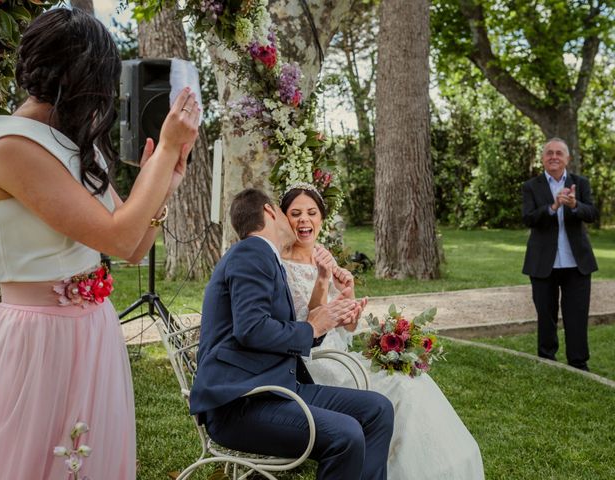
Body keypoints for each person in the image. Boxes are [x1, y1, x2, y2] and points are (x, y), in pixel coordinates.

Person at [0, 8, 199, 479]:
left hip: (91, 331)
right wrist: (159, 166)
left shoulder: (75, 142)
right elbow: (117, 236)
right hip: (37, 340)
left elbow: (135, 246)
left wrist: (167, 183)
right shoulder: (9, 145)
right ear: (78, 75)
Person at [280, 183, 485, 480]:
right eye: (295, 213)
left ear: (321, 218)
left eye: (311, 213)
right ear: (284, 218)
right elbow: (312, 322)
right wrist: (324, 282)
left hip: (341, 349)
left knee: (413, 379)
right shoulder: (282, 263)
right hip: (318, 360)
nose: (304, 220)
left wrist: (350, 302)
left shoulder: (323, 254)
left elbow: (346, 324)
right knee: (400, 390)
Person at [190, 188, 394, 480]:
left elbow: (276, 330)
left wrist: (324, 320)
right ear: (270, 212)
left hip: (274, 389)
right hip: (240, 403)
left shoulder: (264, 256)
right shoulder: (252, 251)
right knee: (346, 434)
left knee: (378, 409)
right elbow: (252, 328)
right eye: (287, 213)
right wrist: (311, 327)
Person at [522, 138, 598, 371]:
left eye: (558, 153)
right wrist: (552, 208)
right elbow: (528, 218)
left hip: (577, 263)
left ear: (567, 158)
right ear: (543, 158)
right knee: (546, 316)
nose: (553, 156)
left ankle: (578, 363)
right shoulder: (531, 186)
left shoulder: (580, 183)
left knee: (576, 316)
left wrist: (575, 205)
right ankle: (547, 360)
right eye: (549, 153)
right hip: (542, 263)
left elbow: (592, 213)